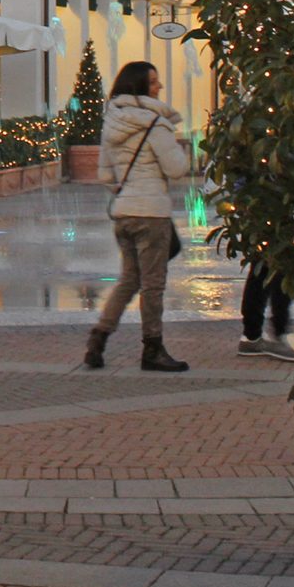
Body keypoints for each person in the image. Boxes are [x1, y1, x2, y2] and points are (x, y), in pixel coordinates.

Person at [83, 61, 193, 373]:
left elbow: (105, 174)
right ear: (141, 87)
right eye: (154, 82)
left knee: (129, 279)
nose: (159, 87)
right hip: (151, 214)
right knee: (153, 284)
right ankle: (153, 349)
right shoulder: (155, 124)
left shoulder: (112, 122)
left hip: (124, 214)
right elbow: (176, 169)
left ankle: (98, 338)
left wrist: (126, 186)